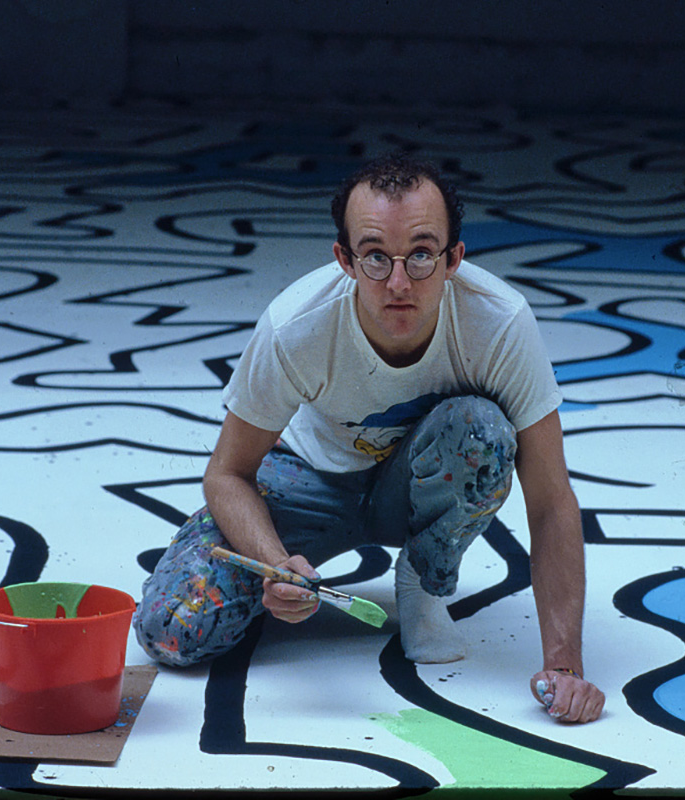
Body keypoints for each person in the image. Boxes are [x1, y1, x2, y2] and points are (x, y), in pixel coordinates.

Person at [133, 153, 605, 724]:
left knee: (482, 430)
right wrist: (277, 567)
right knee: (171, 634)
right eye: (377, 257)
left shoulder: (498, 322)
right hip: (309, 478)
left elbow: (552, 503)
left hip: (417, 489)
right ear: (344, 260)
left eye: (423, 255)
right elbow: (226, 473)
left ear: (454, 258)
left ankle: (424, 581)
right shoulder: (297, 324)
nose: (399, 282)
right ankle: (276, 589)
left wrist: (566, 668)